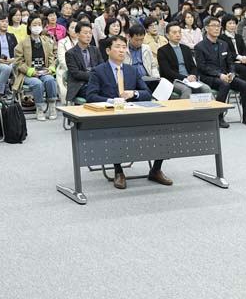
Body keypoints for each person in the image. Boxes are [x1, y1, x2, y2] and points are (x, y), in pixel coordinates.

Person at [86, 35, 171, 190]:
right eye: (117, 47)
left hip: (133, 112)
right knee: (116, 132)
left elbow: (146, 93)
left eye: (124, 47)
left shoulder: (132, 70)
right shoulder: (98, 71)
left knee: (161, 130)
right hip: (111, 115)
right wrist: (112, 101)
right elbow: (90, 96)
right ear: (108, 50)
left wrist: (134, 94)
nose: (122, 50)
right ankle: (118, 171)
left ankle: (156, 169)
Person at [194, 16, 246, 127]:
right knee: (224, 85)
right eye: (214, 26)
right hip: (209, 77)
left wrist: (232, 73)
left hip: (225, 75)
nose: (217, 29)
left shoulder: (223, 44)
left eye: (218, 26)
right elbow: (202, 67)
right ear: (206, 28)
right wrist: (219, 75)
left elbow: (230, 62)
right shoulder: (200, 47)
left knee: (245, 85)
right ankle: (219, 116)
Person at [12, 14, 58, 121]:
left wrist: (50, 69)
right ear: (29, 26)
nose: (37, 27)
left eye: (39, 24)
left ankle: (52, 106)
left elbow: (52, 58)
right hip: (28, 73)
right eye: (34, 24)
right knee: (37, 83)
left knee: (50, 80)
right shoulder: (22, 43)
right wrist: (30, 71)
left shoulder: (47, 41)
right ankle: (39, 108)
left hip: (44, 71)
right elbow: (18, 61)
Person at [157, 21, 211, 98]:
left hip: (190, 79)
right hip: (174, 80)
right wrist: (184, 78)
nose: (178, 35)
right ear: (167, 35)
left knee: (206, 88)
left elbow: (193, 66)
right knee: (187, 90)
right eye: (174, 33)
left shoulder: (185, 48)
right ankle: (183, 110)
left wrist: (193, 75)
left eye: (179, 32)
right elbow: (167, 72)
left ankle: (212, 110)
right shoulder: (162, 51)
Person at [64, 22, 101, 103]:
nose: (88, 35)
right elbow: (76, 73)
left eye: (90, 33)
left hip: (95, 82)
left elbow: (101, 67)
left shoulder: (95, 50)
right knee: (95, 93)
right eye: (85, 33)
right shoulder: (70, 53)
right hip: (80, 84)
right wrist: (94, 76)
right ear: (77, 35)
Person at [56, 20, 78, 102]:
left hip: (80, 71)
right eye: (72, 28)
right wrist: (72, 70)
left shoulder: (83, 41)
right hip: (65, 69)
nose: (75, 29)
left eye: (77, 27)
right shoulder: (62, 42)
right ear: (68, 30)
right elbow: (62, 59)